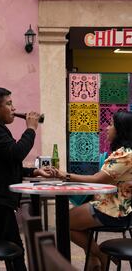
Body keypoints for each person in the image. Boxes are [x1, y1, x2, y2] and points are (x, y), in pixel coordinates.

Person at [0, 87, 56, 271]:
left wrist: (34, 172)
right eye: (8, 104)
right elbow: (16, 153)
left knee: (0, 253)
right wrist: (31, 129)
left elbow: (4, 164)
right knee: (6, 252)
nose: (14, 108)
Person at [56, 111, 132, 271]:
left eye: (111, 124)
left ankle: (100, 254)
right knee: (72, 219)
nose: (107, 128)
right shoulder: (123, 153)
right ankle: (93, 259)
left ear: (121, 130)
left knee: (64, 221)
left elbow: (98, 179)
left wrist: (65, 175)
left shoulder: (125, 154)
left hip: (115, 209)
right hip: (115, 205)